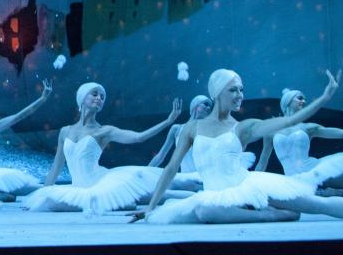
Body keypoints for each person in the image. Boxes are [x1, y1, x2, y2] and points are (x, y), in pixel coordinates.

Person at [139, 69, 343, 224]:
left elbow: (288, 121)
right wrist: (151, 206)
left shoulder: (243, 128)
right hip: (217, 196)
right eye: (233, 90)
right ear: (217, 92)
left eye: (241, 90)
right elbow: (171, 168)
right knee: (205, 210)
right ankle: (272, 215)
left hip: (248, 187)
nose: (239, 95)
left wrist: (324, 98)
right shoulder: (191, 129)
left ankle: (275, 212)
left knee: (318, 204)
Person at [23, 83, 180, 214]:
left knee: (146, 196)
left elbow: (138, 137)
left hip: (100, 183)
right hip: (79, 187)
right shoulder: (65, 131)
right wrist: (41, 194)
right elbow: (56, 167)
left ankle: (186, 198)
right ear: (82, 98)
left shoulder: (104, 131)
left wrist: (168, 121)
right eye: (94, 94)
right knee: (48, 202)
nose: (99, 98)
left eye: (102, 97)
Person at [256, 87, 343, 194]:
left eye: (304, 99)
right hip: (292, 180)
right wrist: (253, 185)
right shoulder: (271, 131)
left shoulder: (308, 128)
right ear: (288, 100)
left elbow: (340, 133)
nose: (304, 101)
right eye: (300, 98)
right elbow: (262, 162)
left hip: (313, 171)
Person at [147, 93, 214, 190]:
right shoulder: (177, 129)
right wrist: (145, 171)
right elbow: (160, 156)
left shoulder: (208, 132)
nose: (208, 108)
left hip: (202, 180)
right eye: (205, 104)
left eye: (210, 107)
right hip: (185, 180)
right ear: (195, 105)